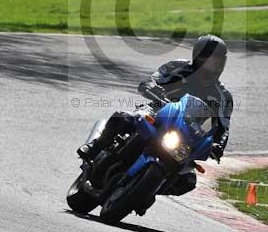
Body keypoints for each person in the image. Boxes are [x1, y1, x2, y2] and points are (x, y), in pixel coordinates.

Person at [78, 35, 233, 195]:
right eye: (209, 60)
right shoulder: (177, 67)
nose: (213, 65)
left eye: (218, 61)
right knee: (123, 117)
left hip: (187, 134)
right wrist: (152, 87)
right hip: (157, 113)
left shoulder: (223, 96)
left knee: (187, 180)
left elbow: (223, 127)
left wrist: (219, 145)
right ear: (198, 57)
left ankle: (149, 190)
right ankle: (95, 146)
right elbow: (153, 79)